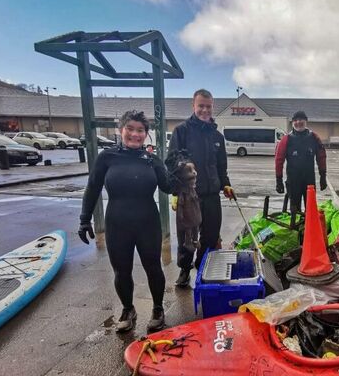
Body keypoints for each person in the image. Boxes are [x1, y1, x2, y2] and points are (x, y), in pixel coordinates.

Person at [78, 110, 175, 333]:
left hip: (147, 223)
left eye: (140, 130)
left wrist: (179, 173)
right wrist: (85, 219)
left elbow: (168, 187)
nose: (135, 134)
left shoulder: (152, 160)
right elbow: (92, 188)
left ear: (146, 134)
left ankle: (158, 309)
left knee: (153, 268)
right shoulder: (107, 158)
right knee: (122, 271)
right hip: (117, 224)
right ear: (120, 130)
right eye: (130, 129)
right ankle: (128, 309)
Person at [167, 89, 234, 287]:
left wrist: (226, 184)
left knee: (211, 236)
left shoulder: (217, 136)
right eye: (201, 106)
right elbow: (171, 161)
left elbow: (221, 166)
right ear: (193, 106)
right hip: (189, 195)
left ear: (213, 107)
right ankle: (185, 269)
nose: (205, 110)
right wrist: (175, 191)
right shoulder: (182, 131)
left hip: (212, 195)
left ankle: (203, 266)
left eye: (208, 106)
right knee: (188, 237)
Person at [275, 110, 327, 212]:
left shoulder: (314, 137)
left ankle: (309, 227)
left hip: (309, 181)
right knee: (295, 210)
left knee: (311, 208)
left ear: (306, 121)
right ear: (292, 122)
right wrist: (278, 180)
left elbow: (321, 157)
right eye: (295, 120)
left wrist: (323, 176)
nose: (298, 122)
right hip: (293, 181)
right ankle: (296, 226)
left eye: (301, 119)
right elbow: (278, 160)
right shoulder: (286, 139)